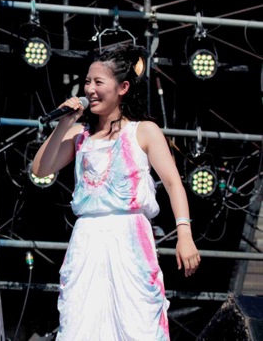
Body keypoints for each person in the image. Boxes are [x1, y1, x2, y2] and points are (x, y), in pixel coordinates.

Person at [31, 44, 201, 340]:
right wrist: (64, 124)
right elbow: (40, 169)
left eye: (98, 82)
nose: (90, 89)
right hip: (88, 239)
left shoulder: (143, 131)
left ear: (122, 88)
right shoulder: (79, 134)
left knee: (137, 322)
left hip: (129, 236)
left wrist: (184, 234)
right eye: (87, 82)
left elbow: (173, 183)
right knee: (83, 322)